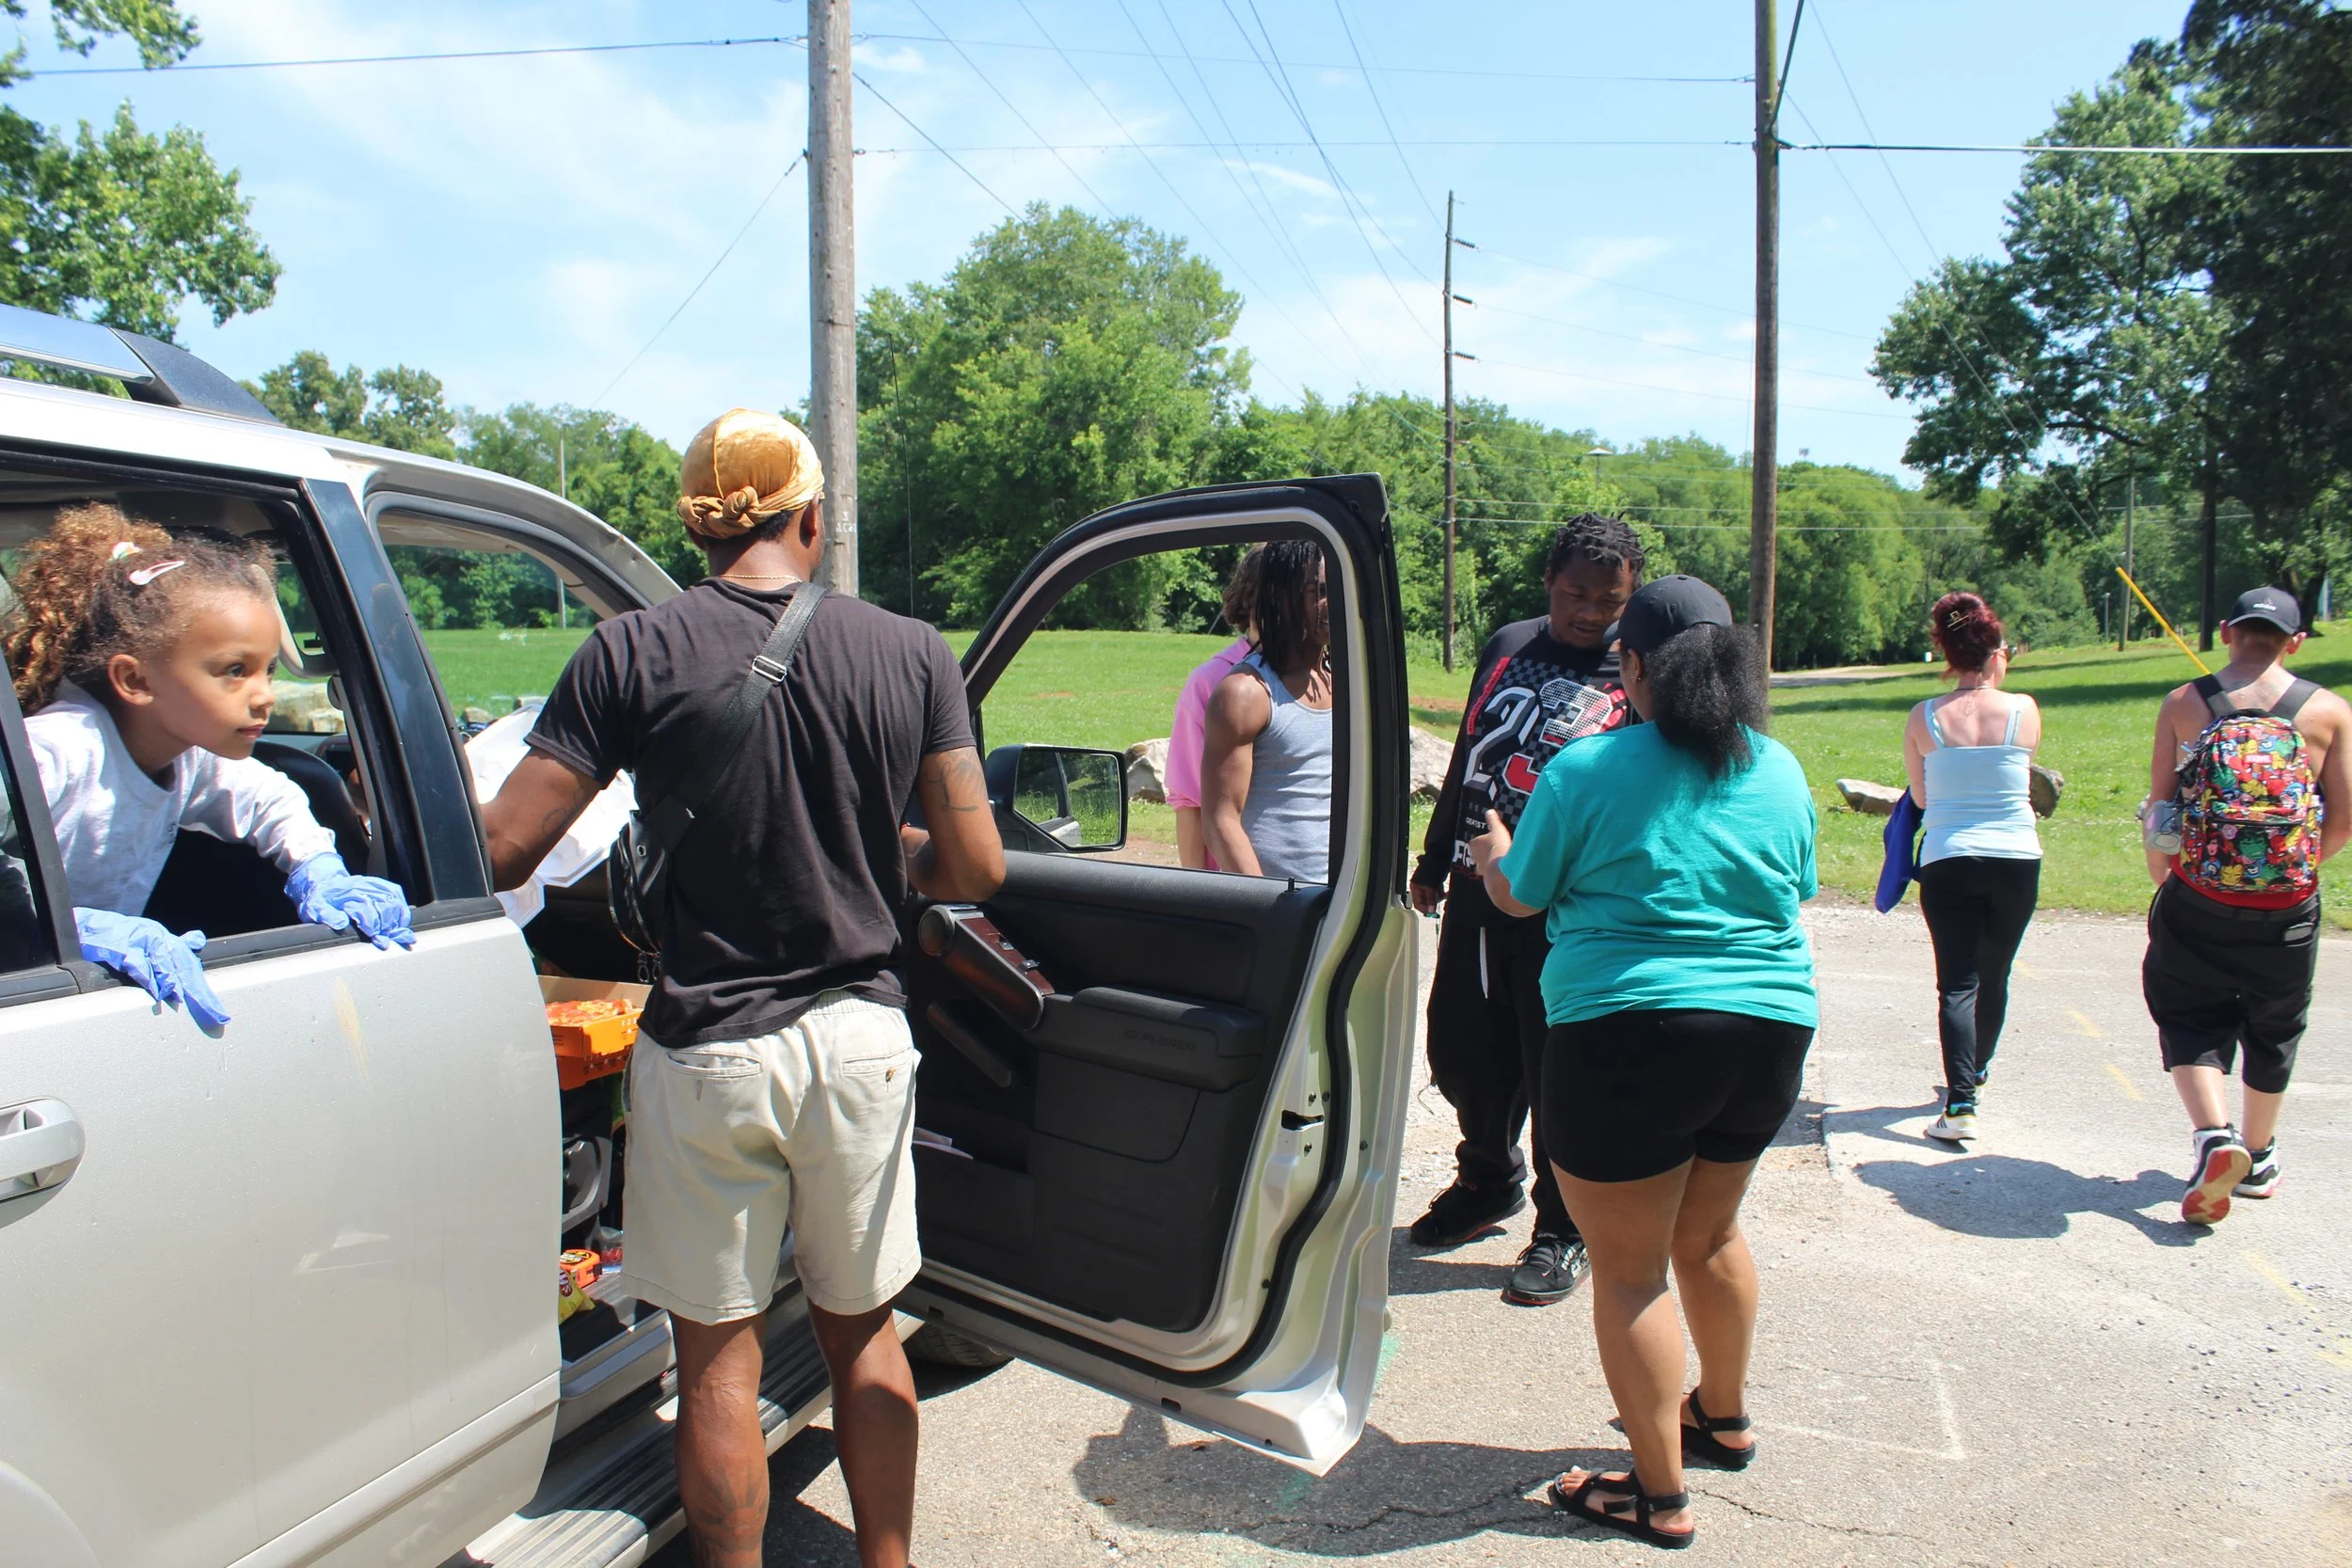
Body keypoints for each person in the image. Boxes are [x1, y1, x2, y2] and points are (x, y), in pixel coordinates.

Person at [481, 409, 1004, 1568]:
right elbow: (975, 867)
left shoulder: (628, 652)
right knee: (862, 1333)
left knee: (713, 1359)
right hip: (862, 1040)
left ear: (695, 530)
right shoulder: (912, 650)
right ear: (813, 516)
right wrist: (893, 852)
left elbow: (507, 849)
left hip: (707, 1048)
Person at [1470, 575, 1817, 1551]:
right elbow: (1795, 884)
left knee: (1627, 1274)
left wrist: (1497, 845)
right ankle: (1724, 1414)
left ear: (1632, 668)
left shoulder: (1584, 767)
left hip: (1626, 1034)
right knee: (1708, 1236)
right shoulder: (1779, 766)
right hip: (1768, 1031)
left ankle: (1656, 1495)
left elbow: (1521, 897)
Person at [7, 505, 415, 1032]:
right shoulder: (62, 747)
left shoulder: (188, 753)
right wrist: (72, 928)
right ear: (136, 680)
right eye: (234, 671)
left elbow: (270, 801)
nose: (265, 696)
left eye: (267, 670)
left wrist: (320, 872)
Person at [1406, 515, 1644, 1307]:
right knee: (1468, 1051)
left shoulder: (1636, 668)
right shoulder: (1508, 642)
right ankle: (1487, 1180)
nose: (1591, 612)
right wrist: (1436, 855)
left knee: (1557, 1070)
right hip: (1480, 887)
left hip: (1567, 907)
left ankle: (1563, 1226)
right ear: (1550, 582)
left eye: (1609, 600)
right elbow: (1470, 756)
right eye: (1577, 594)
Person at [2139, 587, 2347, 1227]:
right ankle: (2257, 1156)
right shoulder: (2329, 712)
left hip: (2199, 894)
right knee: (2276, 1022)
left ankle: (2213, 1137)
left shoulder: (2184, 703)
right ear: (2295, 640)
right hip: (2288, 901)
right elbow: (2341, 821)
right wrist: (2293, 872)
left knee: (2186, 1009)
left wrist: (2169, 875)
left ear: (2226, 631)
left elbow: (2162, 813)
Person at [1902, 593, 2042, 1145]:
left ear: (1946, 650)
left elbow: (1919, 792)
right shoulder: (2024, 710)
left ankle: (1960, 1101)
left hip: (1949, 857)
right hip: (2015, 857)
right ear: (1995, 651)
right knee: (1996, 972)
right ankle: (1976, 1072)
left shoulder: (1923, 717)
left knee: (1957, 983)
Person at [1200, 540, 1332, 882]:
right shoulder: (1245, 693)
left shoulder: (1345, 682)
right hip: (1283, 913)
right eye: (1320, 590)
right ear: (1283, 598)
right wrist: (1269, 909)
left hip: (1347, 904)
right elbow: (1220, 820)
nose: (1334, 602)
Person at [1167, 546, 1263, 869]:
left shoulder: (1331, 681)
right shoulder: (1211, 681)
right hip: (1237, 895)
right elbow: (1190, 802)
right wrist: (1198, 907)